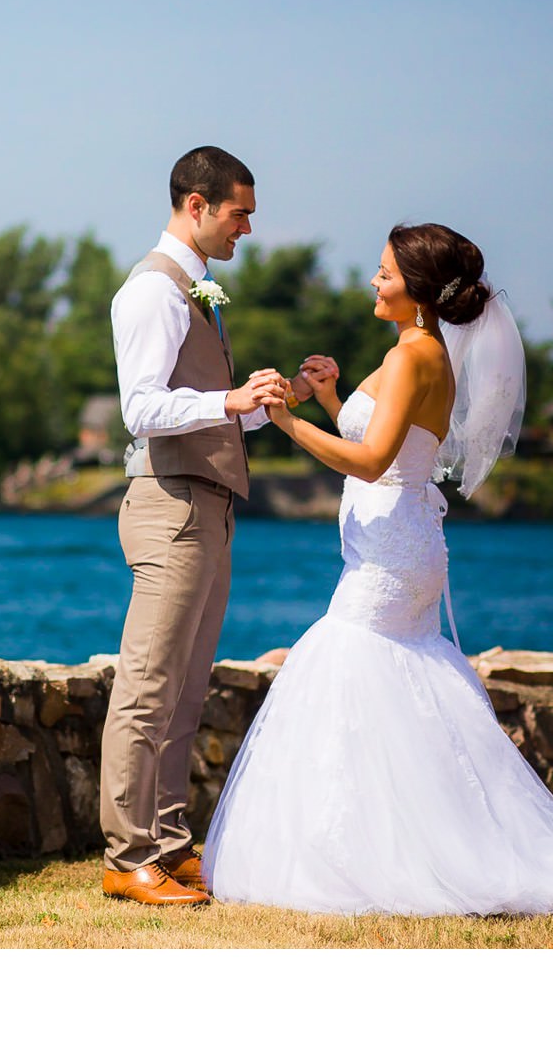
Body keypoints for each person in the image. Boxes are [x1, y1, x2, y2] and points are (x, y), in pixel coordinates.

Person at [201, 222, 553, 915]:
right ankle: (398, 842)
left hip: (392, 553)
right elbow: (383, 434)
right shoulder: (412, 350)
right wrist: (328, 398)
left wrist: (290, 422)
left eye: (384, 273)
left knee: (348, 664)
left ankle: (371, 853)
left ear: (417, 292)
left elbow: (372, 460)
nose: (373, 280)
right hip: (396, 542)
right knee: (392, 682)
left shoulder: (420, 356)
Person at [100, 146, 331, 905]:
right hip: (170, 505)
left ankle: (167, 845)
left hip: (210, 507)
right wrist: (228, 400)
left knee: (187, 689)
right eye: (240, 214)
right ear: (196, 206)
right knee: (147, 686)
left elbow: (209, 413)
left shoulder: (198, 290)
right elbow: (142, 410)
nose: (248, 230)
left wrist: (278, 395)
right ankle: (127, 855)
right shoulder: (152, 293)